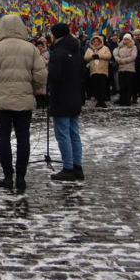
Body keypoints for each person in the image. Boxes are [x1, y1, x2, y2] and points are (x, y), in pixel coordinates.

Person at [0, 15, 47, 192]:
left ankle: (8, 176)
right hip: (24, 100)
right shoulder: (31, 49)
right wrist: (31, 87)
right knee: (23, 138)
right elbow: (41, 76)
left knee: (3, 139)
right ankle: (21, 176)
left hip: (1, 101)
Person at [47, 23, 86, 182]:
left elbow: (55, 76)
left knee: (63, 134)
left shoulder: (58, 52)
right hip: (75, 96)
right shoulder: (76, 50)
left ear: (56, 35)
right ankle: (77, 167)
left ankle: (68, 168)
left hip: (61, 98)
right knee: (74, 133)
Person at [84, 35, 112, 108]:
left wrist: (99, 56)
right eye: (94, 41)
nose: (96, 43)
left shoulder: (105, 48)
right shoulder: (89, 49)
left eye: (97, 41)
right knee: (95, 86)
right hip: (93, 70)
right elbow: (85, 58)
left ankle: (102, 101)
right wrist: (92, 56)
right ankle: (98, 100)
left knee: (102, 86)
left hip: (102, 70)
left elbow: (109, 56)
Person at [114, 34, 137, 106]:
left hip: (129, 68)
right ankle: (122, 100)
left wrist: (124, 60)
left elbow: (133, 56)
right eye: (124, 39)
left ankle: (127, 100)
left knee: (128, 85)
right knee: (122, 85)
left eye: (127, 40)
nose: (126, 41)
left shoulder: (133, 47)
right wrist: (119, 60)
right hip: (121, 68)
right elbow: (116, 55)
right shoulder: (120, 46)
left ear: (130, 40)